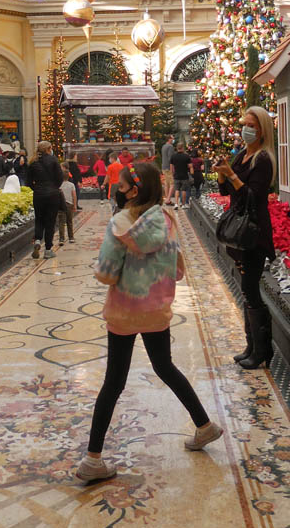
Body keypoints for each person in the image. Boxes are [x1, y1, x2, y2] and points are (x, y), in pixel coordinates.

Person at [76, 161, 223, 483]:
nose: (119, 188)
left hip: (124, 311)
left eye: (123, 183)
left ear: (133, 189)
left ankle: (93, 459)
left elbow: (105, 274)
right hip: (157, 309)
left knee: (113, 382)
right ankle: (204, 425)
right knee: (165, 366)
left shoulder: (119, 223)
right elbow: (179, 268)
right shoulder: (167, 219)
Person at [215, 106, 276, 370]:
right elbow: (228, 190)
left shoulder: (263, 159)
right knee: (245, 289)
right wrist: (223, 173)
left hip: (254, 233)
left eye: (251, 124)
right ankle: (251, 346)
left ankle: (263, 350)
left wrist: (232, 176)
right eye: (244, 123)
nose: (246, 128)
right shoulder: (242, 155)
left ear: (261, 129)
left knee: (251, 288)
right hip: (239, 232)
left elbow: (254, 196)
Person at [26, 141, 64, 259]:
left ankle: (37, 240)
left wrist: (36, 188)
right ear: (48, 149)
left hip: (38, 195)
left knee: (39, 219)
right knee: (50, 222)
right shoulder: (53, 160)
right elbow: (60, 178)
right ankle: (48, 250)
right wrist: (54, 187)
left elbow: (28, 181)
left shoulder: (32, 162)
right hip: (52, 195)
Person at [170, 141, 193, 210]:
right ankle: (183, 204)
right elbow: (190, 166)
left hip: (176, 176)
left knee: (177, 190)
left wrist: (172, 174)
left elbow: (171, 167)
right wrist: (191, 173)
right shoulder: (186, 156)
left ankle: (176, 204)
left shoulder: (173, 156)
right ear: (182, 148)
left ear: (177, 148)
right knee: (183, 190)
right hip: (184, 176)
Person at [58, 167, 76, 245]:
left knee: (61, 222)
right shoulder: (71, 185)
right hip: (69, 204)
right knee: (69, 221)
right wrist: (74, 205)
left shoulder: (58, 185)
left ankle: (61, 239)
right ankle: (71, 237)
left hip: (61, 205)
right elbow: (74, 195)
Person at [161, 134, 175, 206]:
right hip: (168, 167)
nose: (173, 139)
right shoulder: (170, 147)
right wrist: (172, 168)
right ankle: (168, 199)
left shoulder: (163, 146)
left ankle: (167, 198)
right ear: (169, 139)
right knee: (172, 183)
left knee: (166, 183)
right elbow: (170, 159)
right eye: (172, 138)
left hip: (163, 166)